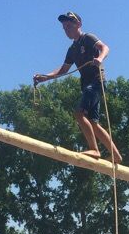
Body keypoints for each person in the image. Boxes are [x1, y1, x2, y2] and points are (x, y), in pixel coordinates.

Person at [33, 11, 122, 163]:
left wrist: (100, 58)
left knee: (80, 114)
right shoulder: (72, 50)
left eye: (69, 25)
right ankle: (116, 155)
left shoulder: (87, 38)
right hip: (87, 85)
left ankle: (95, 149)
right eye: (64, 27)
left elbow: (105, 47)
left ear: (79, 24)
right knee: (93, 123)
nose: (67, 29)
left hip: (96, 82)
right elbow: (63, 70)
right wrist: (45, 78)